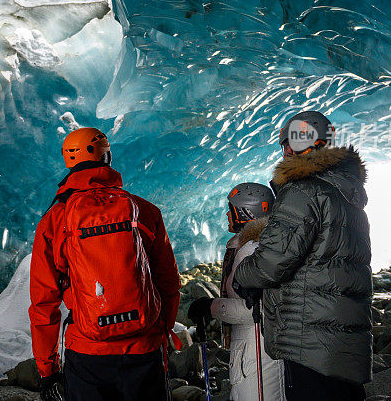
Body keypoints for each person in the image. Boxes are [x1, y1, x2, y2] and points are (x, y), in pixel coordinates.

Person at [29, 127, 181, 401]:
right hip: (144, 347)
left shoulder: (54, 220)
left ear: (69, 162)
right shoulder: (144, 210)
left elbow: (44, 303)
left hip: (87, 352)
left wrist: (46, 369)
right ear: (107, 158)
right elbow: (169, 282)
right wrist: (162, 331)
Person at [232, 111, 373, 400]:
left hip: (309, 338)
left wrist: (243, 275)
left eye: (285, 144)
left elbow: (273, 261)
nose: (283, 152)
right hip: (344, 337)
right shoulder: (347, 194)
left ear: (294, 145)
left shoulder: (304, 191)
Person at [188, 183, 287, 401]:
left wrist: (210, 307)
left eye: (231, 209)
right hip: (252, 352)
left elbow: (254, 310)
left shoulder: (252, 250)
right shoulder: (254, 245)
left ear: (246, 212)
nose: (227, 213)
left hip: (257, 354)